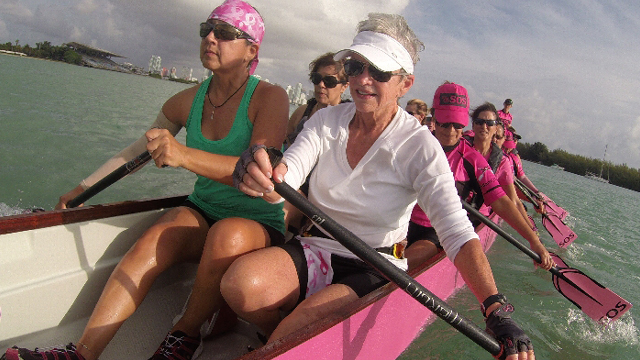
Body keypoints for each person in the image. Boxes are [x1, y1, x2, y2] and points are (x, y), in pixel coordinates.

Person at [224, 13, 535, 359]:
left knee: (290, 336)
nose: (363, 80)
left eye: (380, 72)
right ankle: (285, 330)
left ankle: (287, 333)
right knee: (237, 287)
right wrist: (261, 169)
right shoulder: (325, 121)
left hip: (374, 265)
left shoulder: (420, 146)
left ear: (405, 84)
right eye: (356, 67)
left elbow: (458, 234)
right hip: (314, 246)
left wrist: (496, 309)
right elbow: (287, 174)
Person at [3, 2, 288, 360]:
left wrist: (183, 155)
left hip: (255, 222)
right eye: (206, 29)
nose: (211, 38)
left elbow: (257, 171)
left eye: (226, 32)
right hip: (204, 209)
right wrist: (77, 192)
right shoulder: (186, 101)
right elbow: (135, 152)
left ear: (252, 50)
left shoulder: (270, 97)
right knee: (152, 240)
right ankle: (82, 353)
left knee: (226, 234)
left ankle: (181, 340)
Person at [405, 82, 553, 271]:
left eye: (457, 124)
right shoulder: (413, 142)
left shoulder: (474, 160)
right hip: (400, 220)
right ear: (433, 117)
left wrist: (534, 240)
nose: (451, 131)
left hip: (436, 232)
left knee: (397, 265)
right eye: (444, 123)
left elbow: (502, 202)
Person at [463, 103, 535, 233]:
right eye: (479, 122)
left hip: (478, 216)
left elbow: (513, 201)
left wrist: (532, 234)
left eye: (489, 123)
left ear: (496, 128)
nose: (484, 126)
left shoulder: (503, 162)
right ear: (473, 125)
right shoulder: (461, 146)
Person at [284, 52, 349, 148]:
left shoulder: (347, 122)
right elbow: (282, 143)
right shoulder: (301, 112)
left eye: (329, 81)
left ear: (344, 87)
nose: (321, 85)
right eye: (317, 78)